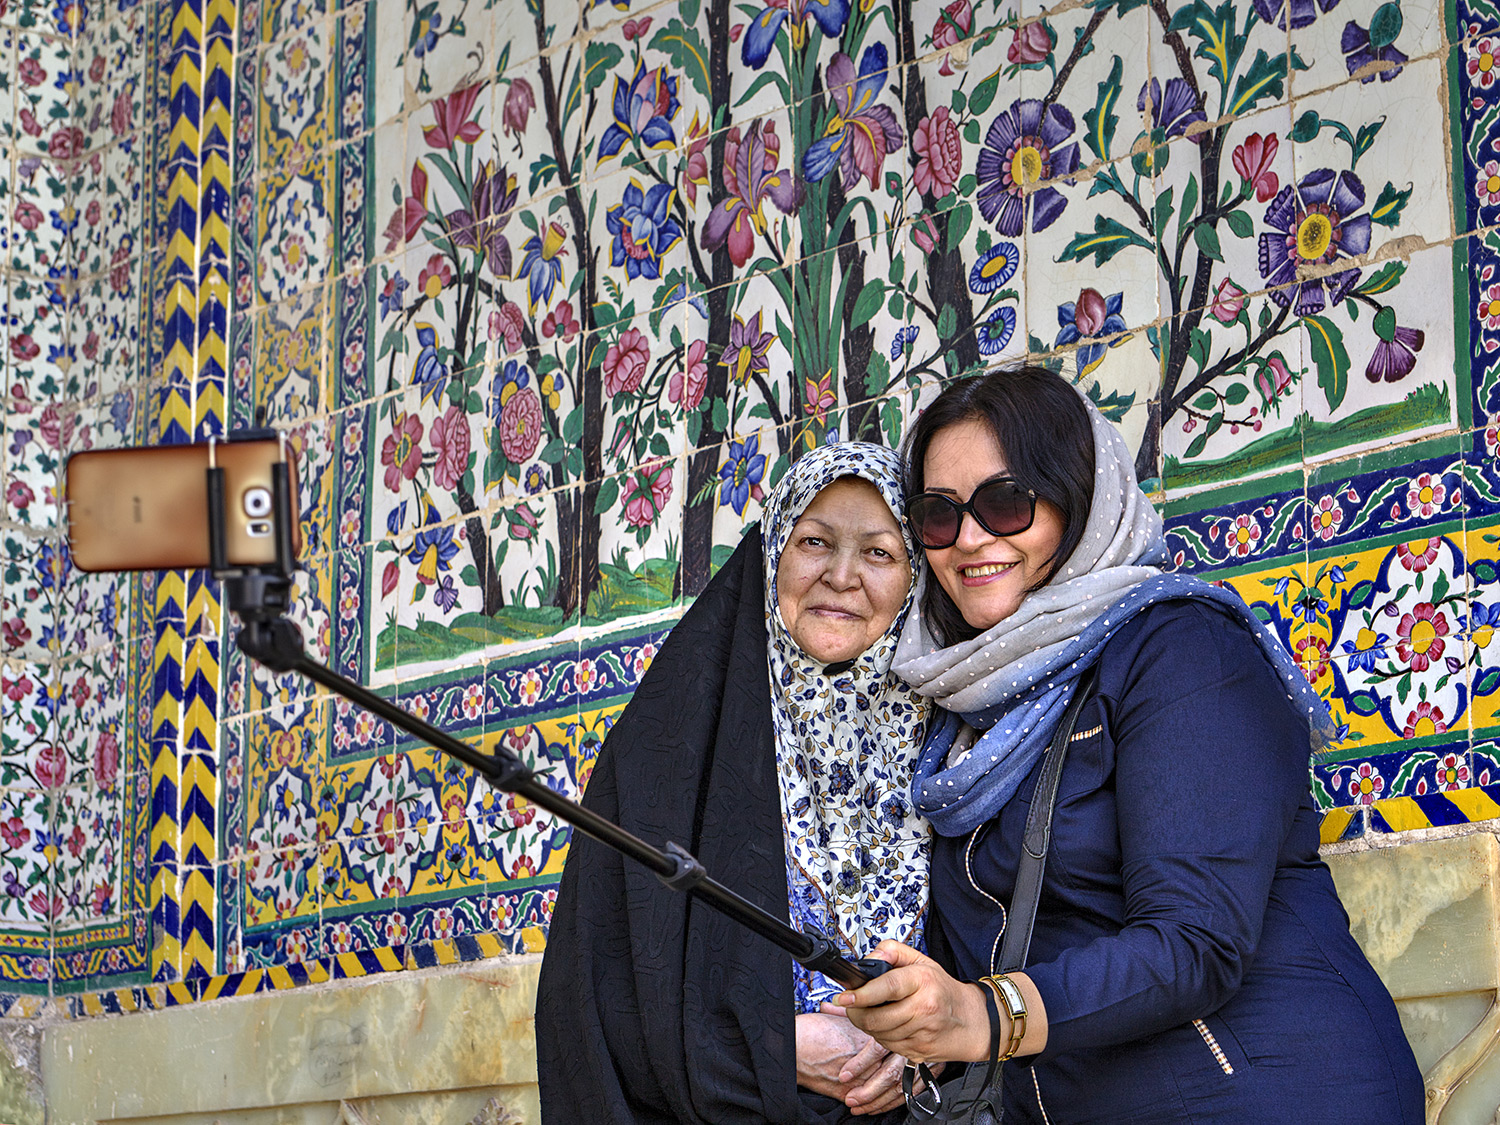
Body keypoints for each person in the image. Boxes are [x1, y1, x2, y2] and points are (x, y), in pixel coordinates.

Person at [835, 368, 1425, 1123]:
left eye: (1006, 501)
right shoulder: (960, 713)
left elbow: (1195, 940)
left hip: (1270, 1091)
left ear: (1076, 499)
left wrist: (981, 1014)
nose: (971, 539)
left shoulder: (1180, 648)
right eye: (939, 516)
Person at [536, 442, 934, 1123]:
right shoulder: (671, 741)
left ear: (915, 580)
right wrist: (772, 1048)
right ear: (773, 549)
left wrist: (930, 1050)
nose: (840, 575)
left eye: (878, 552)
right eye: (814, 541)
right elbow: (596, 994)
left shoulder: (958, 739)